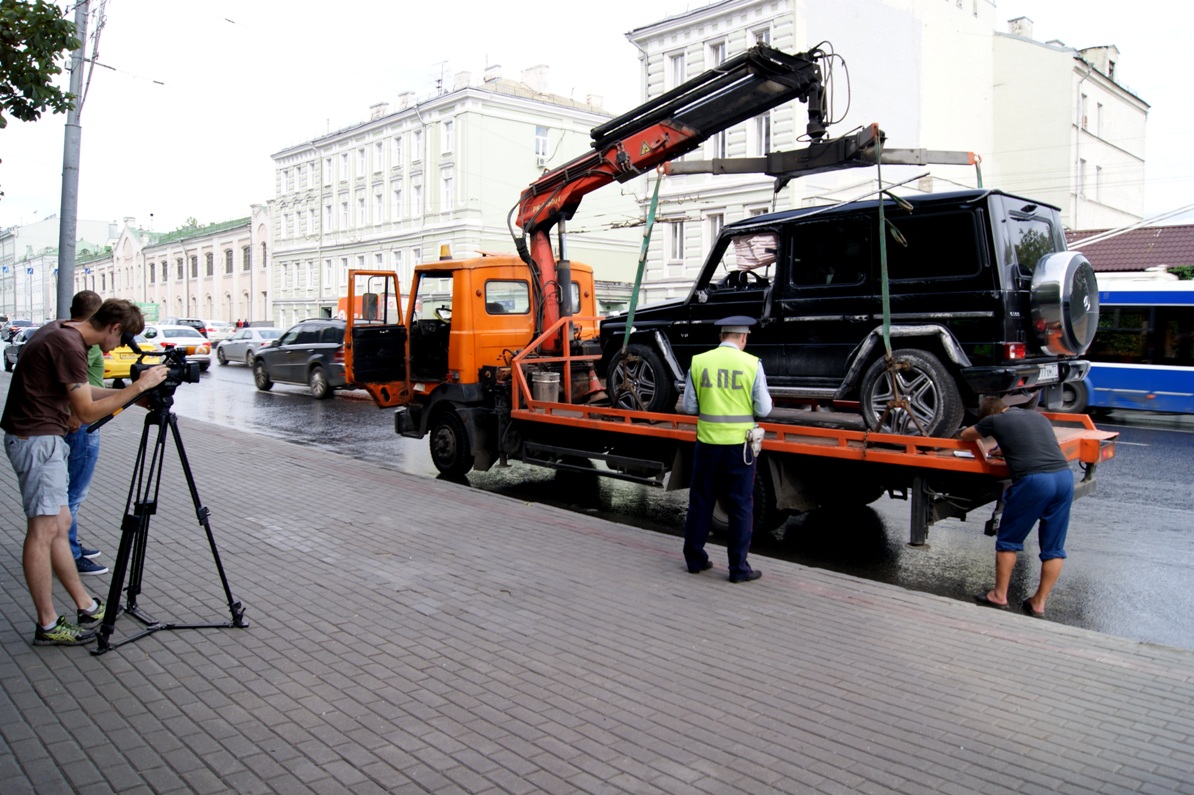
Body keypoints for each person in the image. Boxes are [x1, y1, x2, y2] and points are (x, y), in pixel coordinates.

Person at [2, 299, 168, 646]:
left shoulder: (64, 332)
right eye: (122, 340)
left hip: (40, 438)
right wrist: (137, 387)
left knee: (59, 525)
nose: (119, 348)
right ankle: (47, 625)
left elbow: (81, 391)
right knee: (43, 530)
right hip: (37, 441)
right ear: (114, 328)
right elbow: (87, 411)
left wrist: (128, 396)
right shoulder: (70, 346)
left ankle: (87, 605)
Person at [961, 396, 1074, 617]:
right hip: (1064, 477)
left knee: (1009, 540)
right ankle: (1038, 603)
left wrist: (989, 432)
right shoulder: (1036, 416)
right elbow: (1031, 443)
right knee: (1054, 548)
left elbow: (966, 435)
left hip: (1035, 481)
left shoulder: (995, 420)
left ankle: (999, 595)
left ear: (991, 415)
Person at [680, 315, 773, 583]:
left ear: (720, 337)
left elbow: (689, 407)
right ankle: (738, 569)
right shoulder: (752, 364)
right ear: (743, 337)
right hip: (739, 450)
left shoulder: (699, 362)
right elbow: (763, 409)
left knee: (700, 502)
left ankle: (695, 559)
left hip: (707, 445)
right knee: (740, 506)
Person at [64, 290, 108, 576]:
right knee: (74, 493)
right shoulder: (84, 345)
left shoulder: (68, 335)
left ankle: (69, 543)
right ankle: (69, 553)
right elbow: (74, 387)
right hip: (82, 421)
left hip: (80, 418)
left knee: (71, 491)